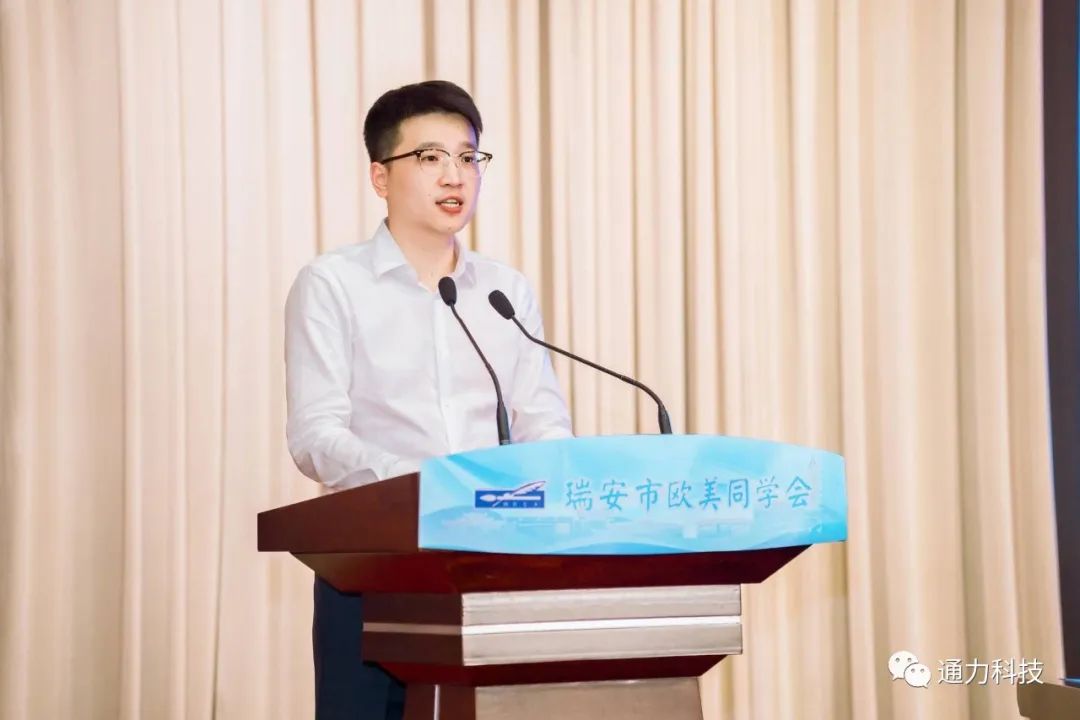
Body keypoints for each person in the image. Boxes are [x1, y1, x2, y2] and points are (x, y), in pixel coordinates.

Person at [283, 80, 573, 719]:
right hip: (372, 572)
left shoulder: (502, 291)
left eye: (468, 157)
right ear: (380, 177)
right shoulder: (333, 284)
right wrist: (425, 488)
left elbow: (544, 421)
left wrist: (550, 485)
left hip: (496, 565)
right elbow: (315, 434)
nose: (455, 175)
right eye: (430, 157)